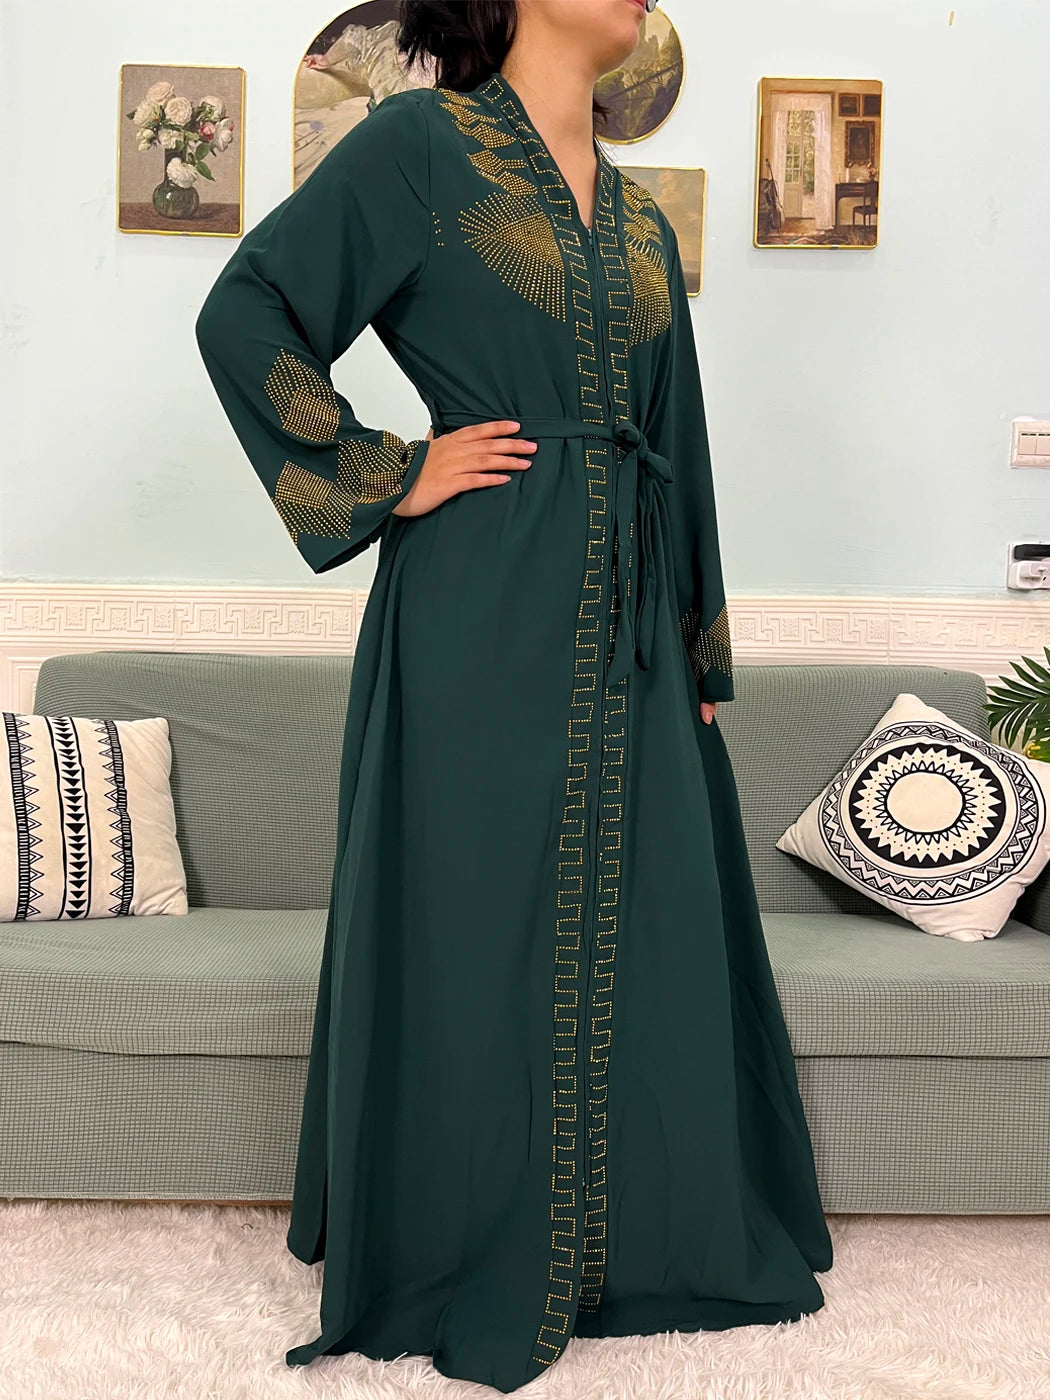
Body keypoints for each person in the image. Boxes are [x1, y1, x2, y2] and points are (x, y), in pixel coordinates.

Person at [194, 0, 834, 1391]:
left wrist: (701, 653)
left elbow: (677, 435)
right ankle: (456, 1234)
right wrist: (388, 467)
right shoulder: (423, 146)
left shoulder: (638, 214)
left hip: (634, 621)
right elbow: (244, 308)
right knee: (473, 913)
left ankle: (628, 1241)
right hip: (479, 597)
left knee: (643, 916)